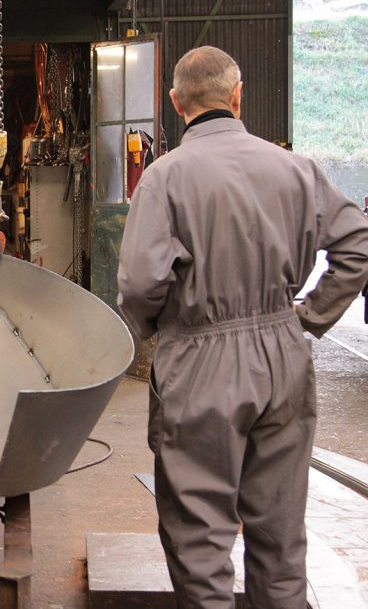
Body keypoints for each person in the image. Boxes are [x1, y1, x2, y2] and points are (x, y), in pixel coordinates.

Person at [117, 45, 368, 609]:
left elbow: (138, 284)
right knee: (280, 531)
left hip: (199, 356)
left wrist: (160, 327)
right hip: (283, 352)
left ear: (177, 103)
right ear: (237, 95)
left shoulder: (164, 178)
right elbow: (357, 243)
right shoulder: (297, 169)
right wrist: (311, 317)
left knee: (199, 534)